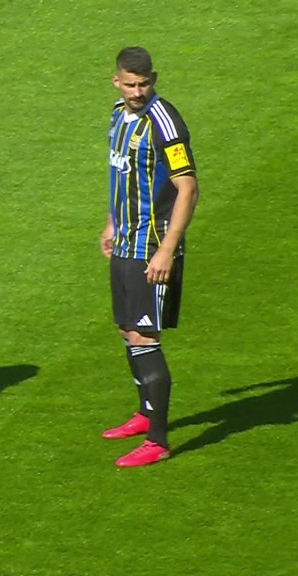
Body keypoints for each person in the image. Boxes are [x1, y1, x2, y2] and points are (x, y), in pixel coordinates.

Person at [100, 47, 199, 467]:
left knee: (144, 337)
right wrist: (110, 221)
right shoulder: (117, 116)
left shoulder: (164, 122)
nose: (138, 92)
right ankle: (144, 414)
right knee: (127, 329)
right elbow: (121, 174)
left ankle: (157, 440)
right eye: (131, 84)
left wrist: (166, 249)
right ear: (116, 81)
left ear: (153, 80)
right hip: (124, 242)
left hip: (151, 249)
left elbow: (188, 187)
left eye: (145, 84)